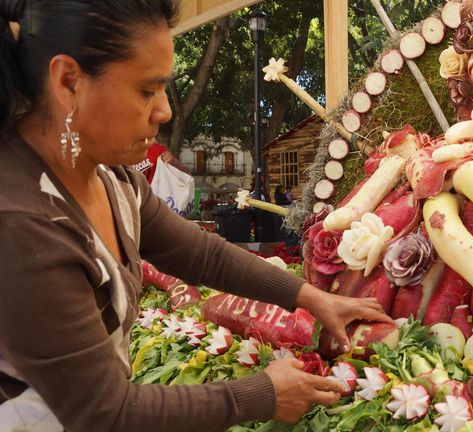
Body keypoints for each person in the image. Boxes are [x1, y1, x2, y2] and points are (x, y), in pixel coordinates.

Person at [0, 1, 390, 431]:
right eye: (147, 91)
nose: (164, 110)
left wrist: (312, 297)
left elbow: (201, 255)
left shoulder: (114, 179)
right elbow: (104, 413)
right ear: (68, 80)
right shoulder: (22, 226)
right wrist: (262, 394)